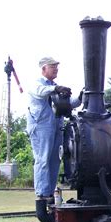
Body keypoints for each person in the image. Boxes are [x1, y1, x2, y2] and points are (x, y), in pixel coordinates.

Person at [26, 57, 82, 202]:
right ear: (43, 69)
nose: (56, 69)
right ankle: (42, 193)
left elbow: (69, 104)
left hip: (56, 126)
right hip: (41, 126)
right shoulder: (37, 84)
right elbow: (40, 92)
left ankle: (49, 192)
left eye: (57, 67)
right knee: (42, 159)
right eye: (53, 66)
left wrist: (81, 97)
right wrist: (55, 89)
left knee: (54, 160)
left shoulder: (55, 87)